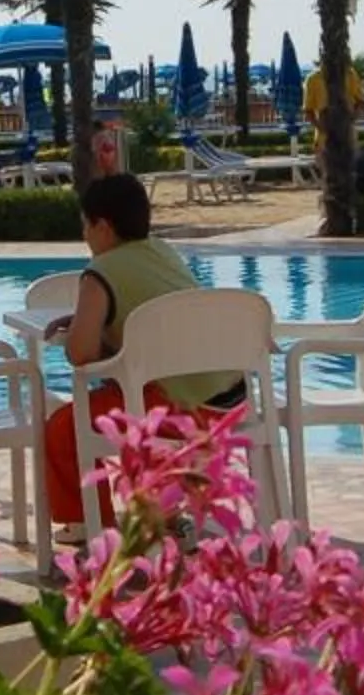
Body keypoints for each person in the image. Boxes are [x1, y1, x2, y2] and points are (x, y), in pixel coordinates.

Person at [40, 174, 233, 530]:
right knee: (129, 395)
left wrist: (84, 328)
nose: (84, 236)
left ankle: (90, 528)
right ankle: (165, 515)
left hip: (179, 412)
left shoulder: (101, 271)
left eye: (85, 225)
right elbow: (154, 317)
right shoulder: (163, 252)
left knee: (65, 426)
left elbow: (79, 353)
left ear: (103, 226)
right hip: (228, 405)